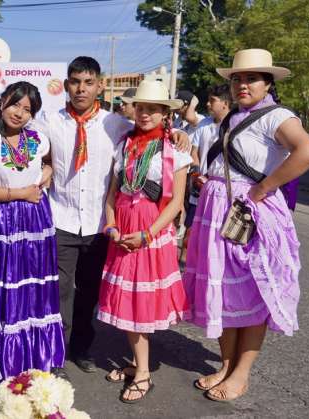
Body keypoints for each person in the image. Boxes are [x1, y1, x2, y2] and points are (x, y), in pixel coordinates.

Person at [0, 56, 192, 374]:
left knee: (89, 290)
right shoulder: (47, 121)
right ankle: (56, 351)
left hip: (98, 223)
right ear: (66, 85)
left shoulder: (115, 124)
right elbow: (15, 128)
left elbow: (151, 132)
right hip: (59, 219)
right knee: (57, 291)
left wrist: (178, 134)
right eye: (75, 82)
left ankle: (83, 349)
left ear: (100, 86)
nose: (81, 89)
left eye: (89, 82)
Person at [184, 49, 309, 402]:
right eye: (237, 79)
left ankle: (241, 374)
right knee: (227, 294)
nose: (242, 85)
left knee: (252, 293)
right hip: (219, 211)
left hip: (249, 213)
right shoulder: (233, 117)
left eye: (251, 78)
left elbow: (308, 152)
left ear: (268, 83)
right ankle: (225, 366)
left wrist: (263, 187)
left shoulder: (276, 116)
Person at [97, 79, 191, 403]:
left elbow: (176, 202)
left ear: (166, 114)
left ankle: (144, 373)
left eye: (153, 109)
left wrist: (147, 235)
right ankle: (139, 362)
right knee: (128, 300)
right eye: (141, 108)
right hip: (122, 231)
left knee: (140, 304)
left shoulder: (175, 150)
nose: (145, 114)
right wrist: (111, 225)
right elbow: (113, 193)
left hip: (150, 233)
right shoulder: (124, 145)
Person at [0, 81, 63, 378]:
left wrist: (46, 174)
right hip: (0, 221)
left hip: (36, 221)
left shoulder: (37, 138)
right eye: (14, 104)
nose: (19, 113)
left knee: (33, 286)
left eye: (27, 109)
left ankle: (36, 356)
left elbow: (49, 164)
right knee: (3, 286)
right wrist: (22, 193)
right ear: (1, 103)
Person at [182, 84, 232, 262]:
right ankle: (186, 267)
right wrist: (196, 173)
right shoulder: (203, 124)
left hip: (222, 191)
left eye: (212, 101)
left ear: (225, 103)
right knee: (191, 229)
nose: (209, 105)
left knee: (216, 234)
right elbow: (194, 151)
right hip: (199, 187)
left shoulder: (235, 125)